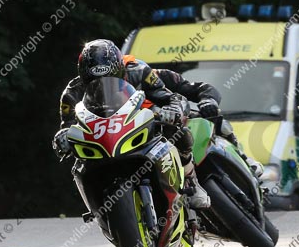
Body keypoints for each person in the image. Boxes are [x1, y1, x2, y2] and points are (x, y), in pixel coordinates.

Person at [52, 39, 210, 208]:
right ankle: (97, 206)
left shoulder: (138, 70)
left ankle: (190, 179)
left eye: (109, 78)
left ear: (120, 68)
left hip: (139, 127)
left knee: (176, 129)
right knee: (79, 165)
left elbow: (167, 96)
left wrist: (172, 110)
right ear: (83, 76)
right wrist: (62, 138)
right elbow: (67, 127)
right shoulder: (71, 93)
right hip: (100, 141)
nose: (103, 85)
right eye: (94, 81)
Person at [154, 67, 264, 180]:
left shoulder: (155, 75)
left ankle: (244, 159)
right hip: (152, 142)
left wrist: (208, 100)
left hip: (178, 125)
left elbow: (201, 88)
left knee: (213, 118)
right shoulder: (135, 91)